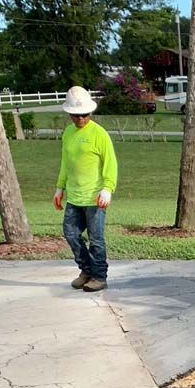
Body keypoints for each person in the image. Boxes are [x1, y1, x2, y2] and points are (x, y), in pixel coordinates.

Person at [53, 86, 118, 291]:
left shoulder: (100, 134)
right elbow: (66, 162)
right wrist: (59, 187)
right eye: (76, 115)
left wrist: (107, 188)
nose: (80, 118)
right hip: (74, 195)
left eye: (84, 114)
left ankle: (99, 276)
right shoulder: (68, 133)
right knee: (70, 233)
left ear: (90, 112)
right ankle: (86, 269)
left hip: (95, 197)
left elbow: (111, 163)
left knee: (96, 239)